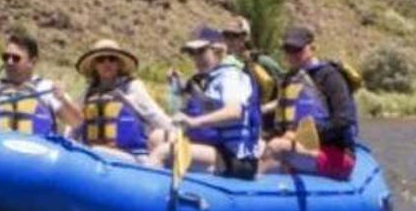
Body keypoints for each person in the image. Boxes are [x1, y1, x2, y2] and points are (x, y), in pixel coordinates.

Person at [149, 26, 261, 179]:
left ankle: (150, 195)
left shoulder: (230, 76)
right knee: (157, 137)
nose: (197, 58)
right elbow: (198, 106)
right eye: (193, 53)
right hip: (218, 148)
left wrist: (194, 122)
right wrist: (177, 89)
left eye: (202, 51)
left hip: (237, 159)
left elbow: (234, 111)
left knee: (163, 152)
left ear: (218, 50)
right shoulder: (211, 78)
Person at [259, 25, 359, 179]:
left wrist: (303, 134)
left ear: (312, 48)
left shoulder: (330, 77)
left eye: (297, 49)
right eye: (288, 49)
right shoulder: (289, 79)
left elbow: (344, 119)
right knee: (258, 146)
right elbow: (279, 119)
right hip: (302, 149)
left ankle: (255, 190)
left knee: (277, 147)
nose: (292, 55)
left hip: (337, 155)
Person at [74, 38, 174, 163]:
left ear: (119, 64)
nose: (107, 63)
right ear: (95, 65)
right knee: (94, 151)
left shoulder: (132, 87)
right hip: (96, 156)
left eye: (112, 59)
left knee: (97, 151)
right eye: (100, 60)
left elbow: (155, 115)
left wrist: (178, 132)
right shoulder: (88, 92)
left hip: (132, 157)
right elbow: (73, 124)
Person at [221, 17, 283, 129]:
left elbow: (287, 92)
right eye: (227, 35)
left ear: (245, 38)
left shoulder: (262, 63)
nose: (230, 40)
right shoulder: (222, 66)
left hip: (264, 126)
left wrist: (264, 109)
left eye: (235, 36)